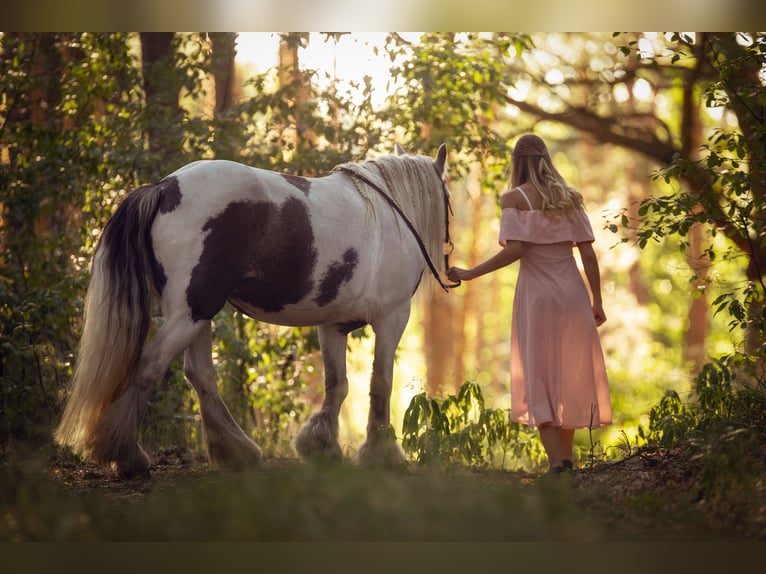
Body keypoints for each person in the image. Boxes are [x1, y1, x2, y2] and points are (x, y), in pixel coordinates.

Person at [446, 133, 612, 475]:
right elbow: (588, 253)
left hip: (538, 300)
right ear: (546, 159)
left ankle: (556, 466)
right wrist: (597, 300)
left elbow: (516, 249)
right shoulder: (570, 198)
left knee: (541, 377)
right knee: (568, 377)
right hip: (573, 296)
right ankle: (566, 461)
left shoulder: (514, 198)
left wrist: (471, 273)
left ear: (517, 162)